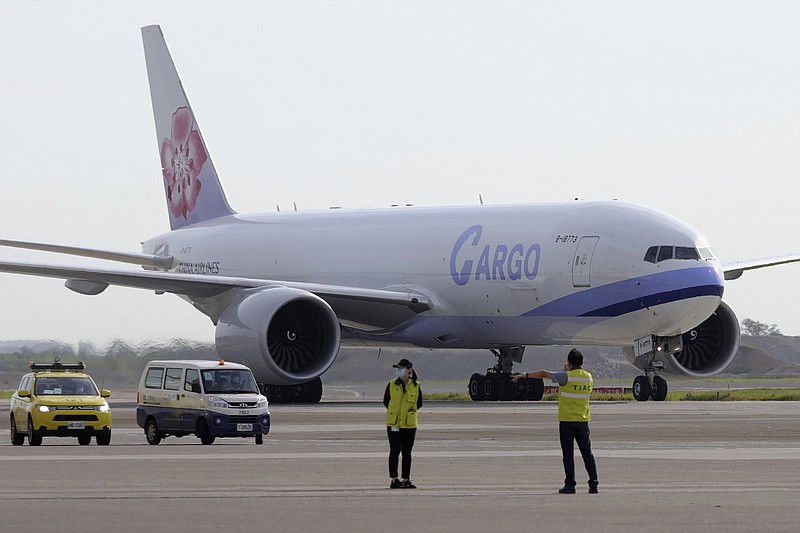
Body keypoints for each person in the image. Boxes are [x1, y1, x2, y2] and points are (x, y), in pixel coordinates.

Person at [511, 348, 599, 494]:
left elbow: (544, 373)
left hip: (567, 421)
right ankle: (593, 484)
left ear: (569, 363)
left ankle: (570, 485)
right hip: (583, 421)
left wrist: (524, 375)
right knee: (587, 454)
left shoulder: (566, 377)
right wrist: (568, 370)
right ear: (582, 362)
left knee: (568, 454)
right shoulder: (588, 377)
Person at [383, 358, 422, 489]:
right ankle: (394, 479)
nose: (398, 371)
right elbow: (386, 401)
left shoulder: (416, 386)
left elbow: (419, 403)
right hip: (394, 423)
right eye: (397, 369)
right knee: (394, 451)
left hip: (409, 424)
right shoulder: (392, 384)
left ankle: (406, 479)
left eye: (401, 368)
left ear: (409, 370)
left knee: (407, 453)